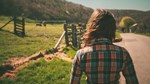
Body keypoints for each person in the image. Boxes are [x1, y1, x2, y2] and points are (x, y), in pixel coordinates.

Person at [70, 9, 139, 84]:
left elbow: (74, 82)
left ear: (91, 27)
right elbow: (133, 81)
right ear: (112, 29)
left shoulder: (81, 54)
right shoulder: (123, 53)